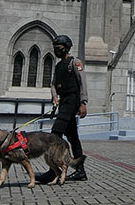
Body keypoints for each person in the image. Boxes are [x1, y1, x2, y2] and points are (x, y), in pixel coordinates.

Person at [36, 34, 88, 183]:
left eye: (58, 48)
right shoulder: (58, 65)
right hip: (64, 101)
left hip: (72, 100)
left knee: (55, 134)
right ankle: (80, 171)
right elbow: (53, 83)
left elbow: (82, 83)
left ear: (66, 48)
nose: (56, 51)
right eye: (54, 48)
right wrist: (54, 96)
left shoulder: (75, 62)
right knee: (73, 138)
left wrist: (83, 102)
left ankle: (53, 171)